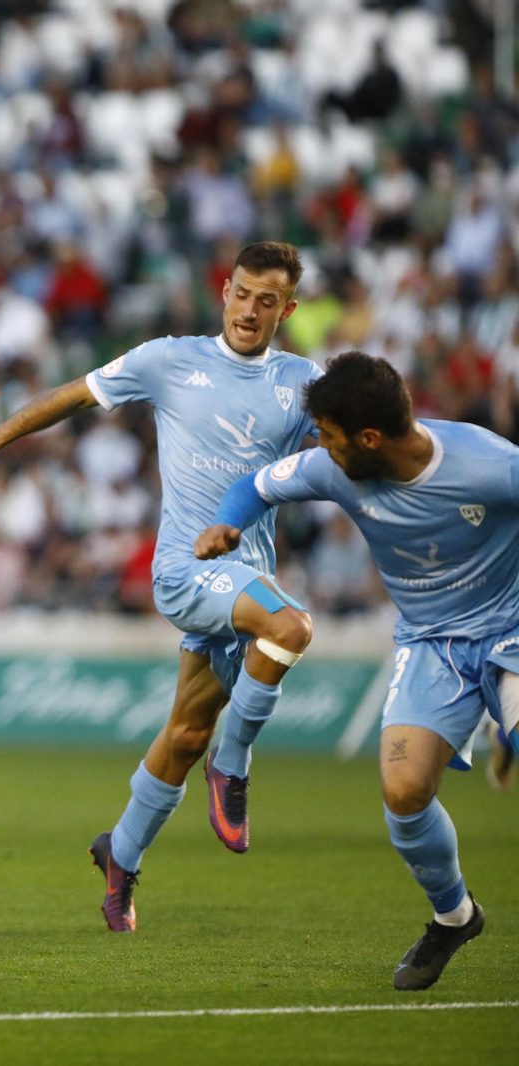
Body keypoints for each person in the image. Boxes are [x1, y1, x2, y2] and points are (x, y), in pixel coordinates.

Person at [0, 241, 321, 931]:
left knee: (184, 733)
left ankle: (120, 853)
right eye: (241, 293)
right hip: (186, 571)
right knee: (293, 628)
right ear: (225, 292)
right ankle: (232, 769)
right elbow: (71, 398)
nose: (250, 309)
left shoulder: (304, 383)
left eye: (267, 301)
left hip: (244, 581)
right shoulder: (170, 359)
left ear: (286, 309)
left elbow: (355, 453)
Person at [196, 351, 517, 990]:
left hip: (513, 626)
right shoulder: (334, 468)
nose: (320, 446)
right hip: (430, 644)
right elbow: (256, 486)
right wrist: (227, 524)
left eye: (330, 436)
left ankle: (508, 729)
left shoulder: (489, 465)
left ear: (370, 439)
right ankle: (454, 916)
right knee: (402, 794)